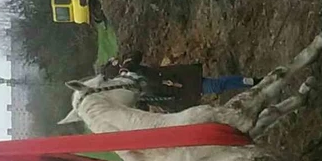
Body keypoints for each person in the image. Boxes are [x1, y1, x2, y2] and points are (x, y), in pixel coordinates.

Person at [101, 50, 261, 110]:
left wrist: (128, 65)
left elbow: (136, 54)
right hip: (179, 99)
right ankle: (252, 85)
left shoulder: (132, 68)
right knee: (216, 88)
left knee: (216, 85)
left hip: (183, 80)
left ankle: (253, 82)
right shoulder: (129, 94)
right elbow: (144, 108)